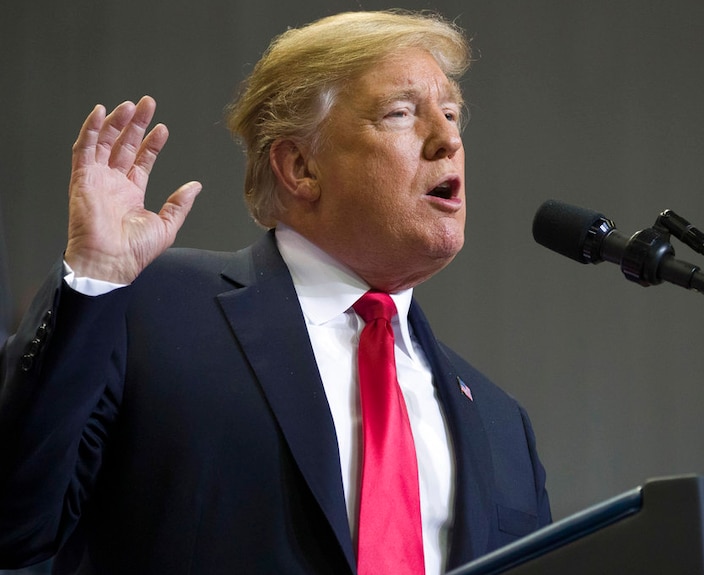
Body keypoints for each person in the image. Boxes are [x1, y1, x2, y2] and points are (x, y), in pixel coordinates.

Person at [0, 10, 551, 574]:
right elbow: (15, 523)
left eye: (453, 113)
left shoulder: (502, 426)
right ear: (299, 166)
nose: (448, 140)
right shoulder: (149, 308)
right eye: (401, 113)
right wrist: (94, 277)